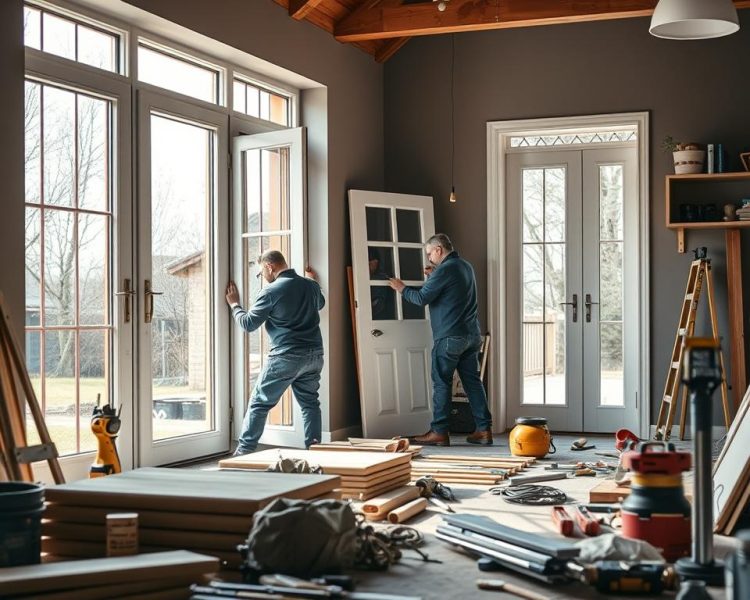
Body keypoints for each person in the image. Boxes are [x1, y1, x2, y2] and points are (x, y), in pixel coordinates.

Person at [388, 233, 492, 446]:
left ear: (438, 249)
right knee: (473, 382)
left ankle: (439, 432)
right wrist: (433, 276)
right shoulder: (464, 266)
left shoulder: (444, 270)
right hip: (471, 335)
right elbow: (450, 293)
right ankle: (484, 430)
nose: (429, 259)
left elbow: (421, 298)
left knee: (442, 382)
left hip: (450, 336)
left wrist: (401, 288)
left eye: (429, 254)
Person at [225, 250, 325, 455]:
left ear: (269, 266)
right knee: (310, 404)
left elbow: (248, 324)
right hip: (315, 354)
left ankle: (243, 454)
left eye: (262, 271)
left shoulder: (271, 291)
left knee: (259, 404)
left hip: (287, 356)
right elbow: (320, 303)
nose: (263, 276)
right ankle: (315, 451)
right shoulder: (310, 285)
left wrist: (234, 304)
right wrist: (313, 281)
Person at [368, 247, 395, 320]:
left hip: (384, 317)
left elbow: (380, 305)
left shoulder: (381, 279)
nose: (373, 265)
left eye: (374, 262)